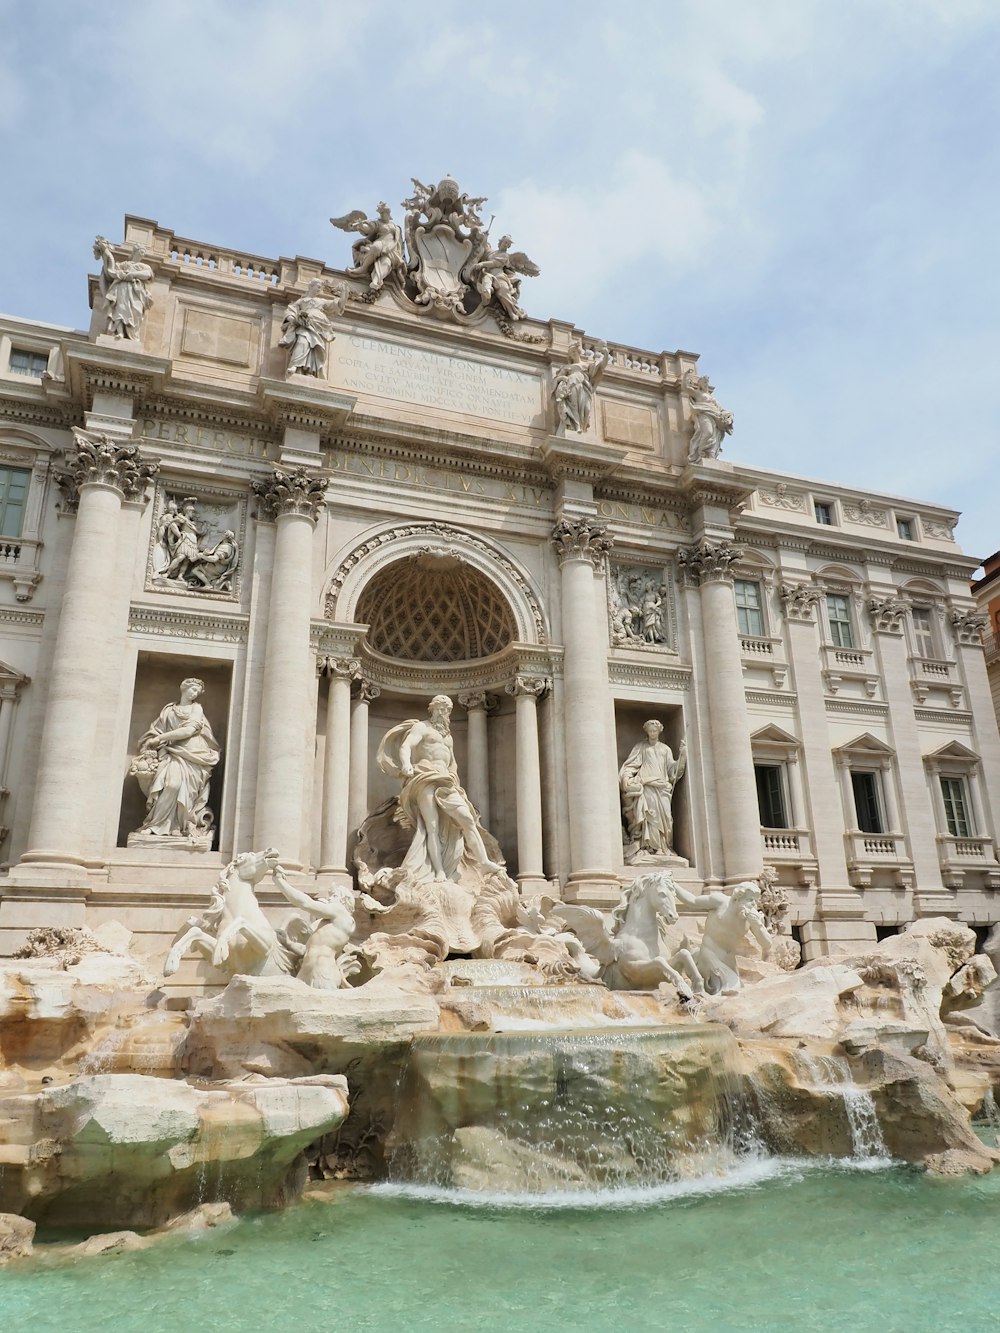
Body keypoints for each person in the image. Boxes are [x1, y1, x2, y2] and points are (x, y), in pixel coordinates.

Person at [376, 695, 503, 884]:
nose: (444, 712)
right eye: (441, 708)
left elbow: (452, 763)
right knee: (432, 827)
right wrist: (406, 764)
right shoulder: (421, 727)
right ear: (432, 709)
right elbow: (406, 746)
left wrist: (456, 783)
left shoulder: (448, 737)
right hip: (425, 777)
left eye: (447, 709)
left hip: (446, 781)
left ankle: (483, 862)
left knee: (467, 819)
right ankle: (439, 872)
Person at [131, 678, 221, 839]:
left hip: (193, 754)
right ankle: (156, 825)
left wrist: (160, 739)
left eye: (198, 692)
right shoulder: (169, 710)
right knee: (171, 785)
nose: (195, 693)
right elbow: (155, 731)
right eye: (193, 689)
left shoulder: (196, 708)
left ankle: (180, 826)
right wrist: (152, 742)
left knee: (185, 791)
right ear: (183, 688)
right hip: (171, 752)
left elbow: (188, 731)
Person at [674, 880, 772, 994]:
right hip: (710, 954)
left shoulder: (750, 918)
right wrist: (673, 885)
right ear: (738, 898)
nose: (754, 905)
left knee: (738, 988)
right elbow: (692, 901)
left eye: (755, 901)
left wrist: (758, 925)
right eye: (750, 900)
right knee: (731, 989)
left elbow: (767, 944)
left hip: (729, 960)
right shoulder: (720, 902)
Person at [619, 721, 686, 858]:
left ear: (659, 731)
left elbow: (673, 771)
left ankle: (665, 846)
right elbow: (631, 765)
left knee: (667, 818)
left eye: (655, 731)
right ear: (647, 732)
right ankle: (649, 847)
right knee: (650, 817)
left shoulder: (665, 749)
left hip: (662, 788)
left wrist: (683, 756)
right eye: (650, 731)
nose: (652, 733)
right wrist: (627, 779)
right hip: (648, 787)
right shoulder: (641, 747)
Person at [279, 280, 347, 377]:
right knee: (302, 342)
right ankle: (296, 365)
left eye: (321, 287)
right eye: (318, 286)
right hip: (305, 324)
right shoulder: (302, 301)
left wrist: (344, 294)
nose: (320, 289)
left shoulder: (321, 301)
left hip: (319, 326)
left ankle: (310, 370)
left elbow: (338, 305)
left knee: (315, 347)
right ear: (311, 286)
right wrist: (292, 318)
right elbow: (290, 310)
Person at [93, 235, 153, 340]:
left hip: (135, 291)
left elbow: (148, 274)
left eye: (143, 252)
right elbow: (111, 271)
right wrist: (105, 253)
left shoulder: (145, 266)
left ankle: (132, 334)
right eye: (141, 251)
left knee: (136, 311)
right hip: (122, 288)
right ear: (135, 252)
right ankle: (119, 332)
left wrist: (133, 275)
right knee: (120, 310)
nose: (142, 254)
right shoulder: (124, 265)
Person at [552, 340, 609, 433]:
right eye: (571, 353)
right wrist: (562, 377)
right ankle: (576, 426)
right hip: (572, 385)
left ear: (578, 351)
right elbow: (556, 380)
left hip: (584, 387)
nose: (573, 354)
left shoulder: (587, 365)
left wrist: (606, 353)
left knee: (586, 408)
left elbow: (602, 366)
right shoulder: (567, 367)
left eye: (574, 351)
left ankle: (582, 426)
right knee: (574, 406)